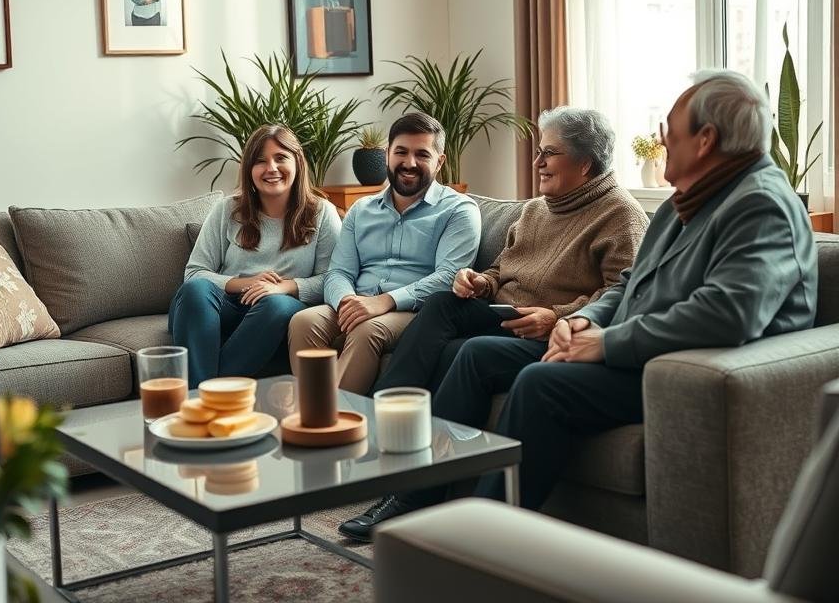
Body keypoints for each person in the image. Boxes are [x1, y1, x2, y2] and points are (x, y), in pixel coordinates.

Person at [339, 69, 818, 541]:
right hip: (636, 348)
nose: (660, 141)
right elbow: (633, 283)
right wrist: (587, 319)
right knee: (475, 353)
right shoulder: (685, 202)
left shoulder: (760, 205)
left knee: (539, 383)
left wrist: (604, 341)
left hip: (679, 368)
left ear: (707, 139)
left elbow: (728, 313)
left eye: (667, 131)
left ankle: (481, 537)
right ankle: (414, 494)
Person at [372, 107, 648, 396]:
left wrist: (557, 316)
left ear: (585, 164)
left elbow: (624, 293)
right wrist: (481, 283)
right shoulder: (535, 209)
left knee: (470, 351)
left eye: (549, 153)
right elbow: (500, 269)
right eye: (539, 151)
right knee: (442, 303)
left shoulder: (621, 215)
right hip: (505, 315)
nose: (536, 162)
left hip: (549, 330)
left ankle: (447, 440)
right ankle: (389, 409)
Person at [288, 112, 481, 394]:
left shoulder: (459, 210)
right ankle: (311, 411)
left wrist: (385, 301)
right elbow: (339, 272)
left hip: (414, 311)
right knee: (303, 321)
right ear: (387, 154)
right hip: (358, 301)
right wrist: (346, 302)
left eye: (422, 154)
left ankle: (334, 424)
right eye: (400, 152)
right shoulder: (361, 210)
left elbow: (448, 277)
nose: (409, 163)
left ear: (439, 162)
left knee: (366, 331)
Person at [169, 125, 341, 386]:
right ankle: (210, 398)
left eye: (281, 158)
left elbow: (333, 278)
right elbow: (194, 272)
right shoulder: (227, 209)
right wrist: (247, 283)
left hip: (277, 310)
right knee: (195, 289)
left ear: (298, 162)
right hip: (221, 306)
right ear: (249, 170)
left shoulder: (322, 213)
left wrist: (285, 287)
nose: (271, 168)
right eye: (260, 161)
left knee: (277, 305)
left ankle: (206, 397)